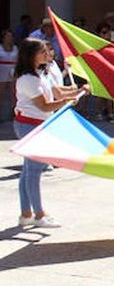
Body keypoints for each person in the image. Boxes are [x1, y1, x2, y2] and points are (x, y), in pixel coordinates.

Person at [13, 38, 86, 228]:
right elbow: (45, 105)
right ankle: (39, 215)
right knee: (34, 171)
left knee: (28, 171)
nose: (48, 54)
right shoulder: (28, 79)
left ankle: (26, 214)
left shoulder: (41, 72)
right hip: (29, 126)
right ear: (31, 55)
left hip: (37, 124)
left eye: (47, 51)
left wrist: (78, 91)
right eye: (43, 52)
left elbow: (58, 92)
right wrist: (69, 100)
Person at [0, 29, 18, 121]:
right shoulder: (0, 48)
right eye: (7, 36)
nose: (9, 38)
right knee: (1, 94)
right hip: (2, 72)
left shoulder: (15, 48)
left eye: (10, 37)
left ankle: (13, 113)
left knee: (14, 94)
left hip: (12, 72)